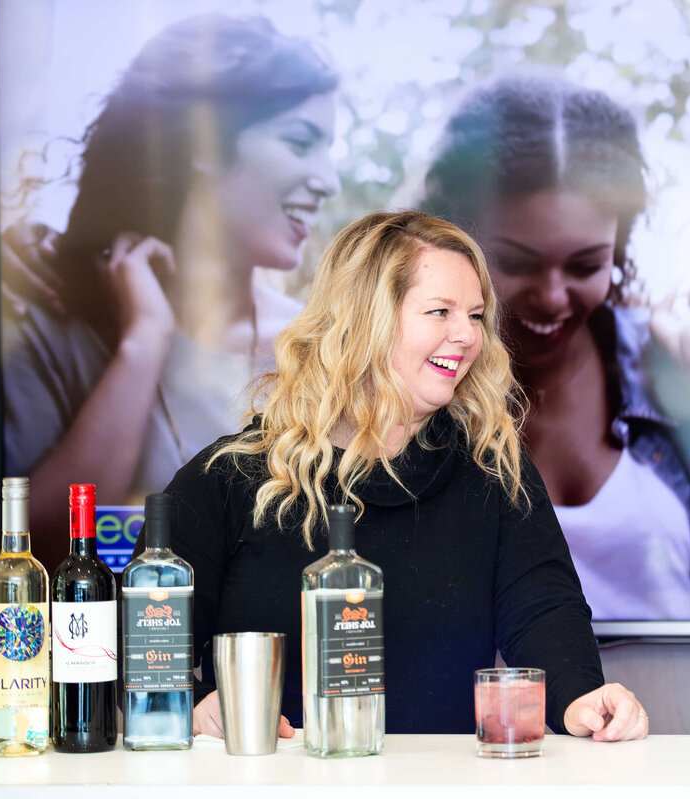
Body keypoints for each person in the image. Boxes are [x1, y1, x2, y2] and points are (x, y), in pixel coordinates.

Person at [152, 209, 649, 739]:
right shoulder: (225, 480)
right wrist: (195, 702)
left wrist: (578, 698)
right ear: (364, 320)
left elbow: (545, 609)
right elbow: (147, 644)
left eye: (476, 316)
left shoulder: (494, 471)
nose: (466, 335)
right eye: (440, 311)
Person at [420, 76, 690, 620]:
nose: (553, 295)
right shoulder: (414, 381)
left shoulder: (661, 358)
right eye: (516, 263)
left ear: (620, 243)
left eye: (586, 264)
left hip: (679, 700)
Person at [0, 14, 341, 570]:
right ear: (205, 137)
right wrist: (143, 346)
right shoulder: (46, 320)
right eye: (301, 142)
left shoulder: (317, 345)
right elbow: (34, 553)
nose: (329, 180)